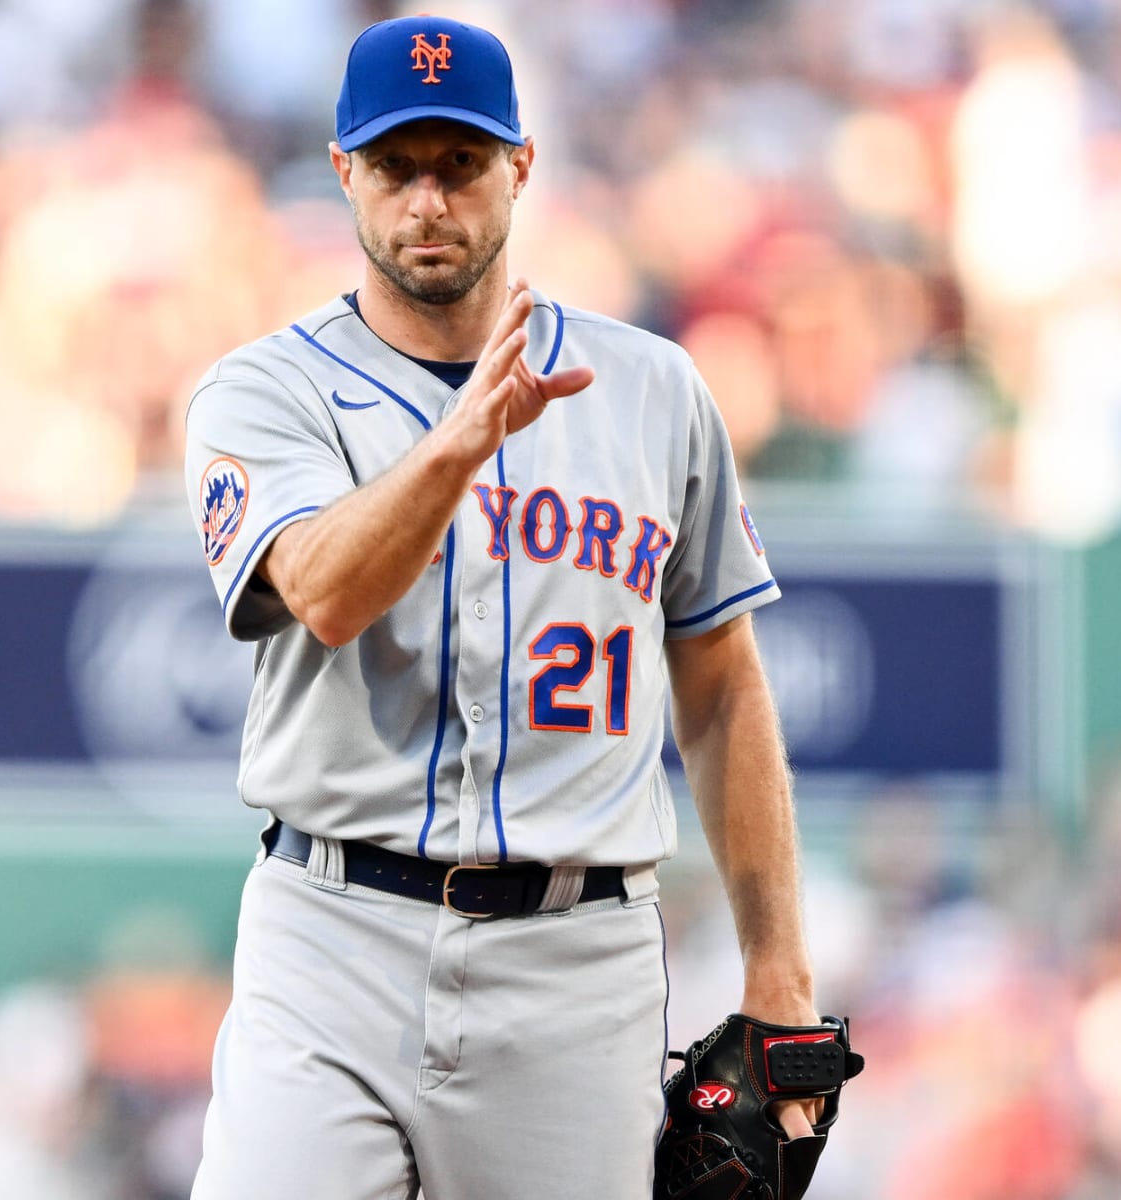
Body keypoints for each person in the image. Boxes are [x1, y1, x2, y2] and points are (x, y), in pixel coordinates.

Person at [184, 14, 819, 1198]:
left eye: (459, 165)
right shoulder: (263, 391)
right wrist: (456, 446)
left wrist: (777, 970)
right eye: (395, 167)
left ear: (519, 167)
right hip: (333, 930)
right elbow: (321, 592)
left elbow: (723, 682)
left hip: (575, 962)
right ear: (344, 174)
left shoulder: (648, 389)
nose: (427, 201)